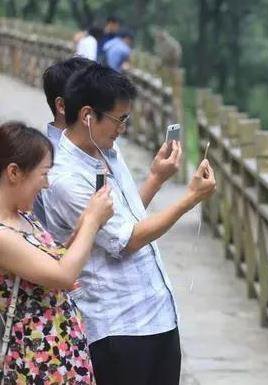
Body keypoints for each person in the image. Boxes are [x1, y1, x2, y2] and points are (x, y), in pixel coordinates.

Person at [42, 64, 216, 385]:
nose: (123, 128)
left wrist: (155, 178)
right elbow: (126, 240)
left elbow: (126, 216)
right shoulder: (65, 179)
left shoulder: (106, 149)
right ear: (88, 116)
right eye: (119, 119)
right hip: (117, 326)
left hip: (157, 313)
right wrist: (189, 199)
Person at [0, 121, 114, 384]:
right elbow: (63, 275)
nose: (48, 184)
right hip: (33, 364)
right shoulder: (3, 235)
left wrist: (88, 220)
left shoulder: (24, 217)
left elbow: (57, 259)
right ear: (14, 172)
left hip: (60, 355)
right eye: (43, 174)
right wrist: (93, 221)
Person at [33, 57, 94, 226]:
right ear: (62, 106)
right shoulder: (53, 163)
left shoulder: (100, 145)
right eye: (95, 100)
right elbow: (117, 238)